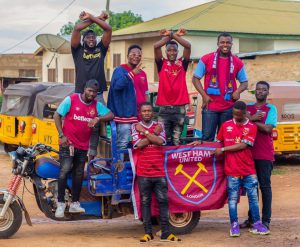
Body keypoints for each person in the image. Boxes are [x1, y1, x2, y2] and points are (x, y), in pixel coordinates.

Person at [53, 79, 114, 218]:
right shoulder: (71, 99)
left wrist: (98, 119)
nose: (92, 94)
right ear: (84, 89)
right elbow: (57, 115)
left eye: (94, 92)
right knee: (64, 170)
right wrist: (61, 135)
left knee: (79, 174)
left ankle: (75, 203)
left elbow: (111, 115)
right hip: (68, 144)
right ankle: (61, 203)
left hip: (82, 146)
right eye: (90, 91)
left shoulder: (96, 105)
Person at [214, 101, 270, 237]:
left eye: (238, 115)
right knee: (232, 199)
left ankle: (256, 223)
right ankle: (234, 225)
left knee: (253, 198)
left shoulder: (252, 127)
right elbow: (217, 142)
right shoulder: (226, 125)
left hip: (248, 169)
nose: (235, 117)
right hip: (231, 169)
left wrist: (223, 149)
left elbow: (243, 145)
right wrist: (201, 143)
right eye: (233, 114)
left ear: (245, 114)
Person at [131, 102, 181, 243]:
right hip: (144, 172)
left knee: (163, 202)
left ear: (153, 112)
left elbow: (160, 142)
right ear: (140, 113)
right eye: (144, 111)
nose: (147, 113)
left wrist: (146, 133)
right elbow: (138, 145)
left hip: (159, 172)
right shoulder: (135, 127)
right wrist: (154, 134)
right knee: (145, 203)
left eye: (149, 111)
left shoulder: (160, 126)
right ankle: (148, 233)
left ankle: (166, 233)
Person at [71, 10, 112, 161]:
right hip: (80, 95)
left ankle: (94, 160)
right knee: (78, 126)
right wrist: (97, 18)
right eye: (88, 37)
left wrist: (94, 18)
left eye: (93, 37)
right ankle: (76, 157)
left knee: (96, 127)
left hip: (98, 94)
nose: (91, 39)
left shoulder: (101, 49)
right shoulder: (77, 50)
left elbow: (108, 29)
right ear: (83, 40)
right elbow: (77, 29)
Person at [192, 32, 248, 141]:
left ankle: (224, 159)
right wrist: (204, 96)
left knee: (227, 139)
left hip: (228, 107)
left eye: (228, 42)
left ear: (231, 44)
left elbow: (244, 82)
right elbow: (195, 79)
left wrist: (238, 92)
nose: (225, 45)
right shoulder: (206, 59)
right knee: (207, 139)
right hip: (210, 106)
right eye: (222, 42)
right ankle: (209, 158)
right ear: (218, 44)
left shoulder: (237, 62)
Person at [240, 81, 277, 231]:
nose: (261, 91)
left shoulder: (271, 109)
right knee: (251, 188)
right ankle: (252, 219)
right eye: (258, 89)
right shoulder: (247, 108)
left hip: (264, 154)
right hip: (248, 154)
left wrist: (251, 120)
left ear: (268, 93)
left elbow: (268, 129)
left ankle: (266, 220)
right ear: (254, 92)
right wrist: (251, 118)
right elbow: (240, 122)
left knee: (265, 187)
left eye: (264, 89)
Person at [108, 45, 148, 156]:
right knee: (122, 143)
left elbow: (146, 93)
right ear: (127, 56)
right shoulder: (120, 70)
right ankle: (118, 167)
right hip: (124, 117)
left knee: (139, 143)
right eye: (133, 54)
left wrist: (148, 109)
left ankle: (137, 167)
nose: (136, 57)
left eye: (139, 55)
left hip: (138, 116)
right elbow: (117, 86)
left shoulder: (142, 73)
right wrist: (132, 73)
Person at [154, 28, 191, 146]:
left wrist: (173, 36)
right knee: (162, 139)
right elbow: (156, 46)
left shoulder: (182, 63)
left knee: (176, 140)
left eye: (174, 50)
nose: (172, 53)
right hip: (164, 108)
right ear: (165, 52)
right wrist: (169, 36)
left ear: (177, 51)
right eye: (169, 50)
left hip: (179, 108)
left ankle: (175, 164)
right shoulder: (161, 63)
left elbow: (188, 46)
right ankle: (162, 164)